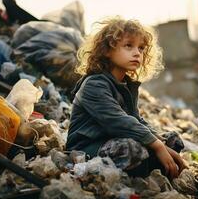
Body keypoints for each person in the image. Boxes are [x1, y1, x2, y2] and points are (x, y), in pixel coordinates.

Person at [66, 17, 185, 179]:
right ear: (107, 50)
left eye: (141, 48)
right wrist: (156, 146)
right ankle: (141, 174)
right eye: (129, 45)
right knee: (132, 148)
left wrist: (160, 142)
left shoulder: (127, 85)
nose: (137, 53)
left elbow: (135, 119)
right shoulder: (94, 84)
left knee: (171, 139)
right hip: (88, 147)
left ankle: (152, 170)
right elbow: (118, 121)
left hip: (114, 140)